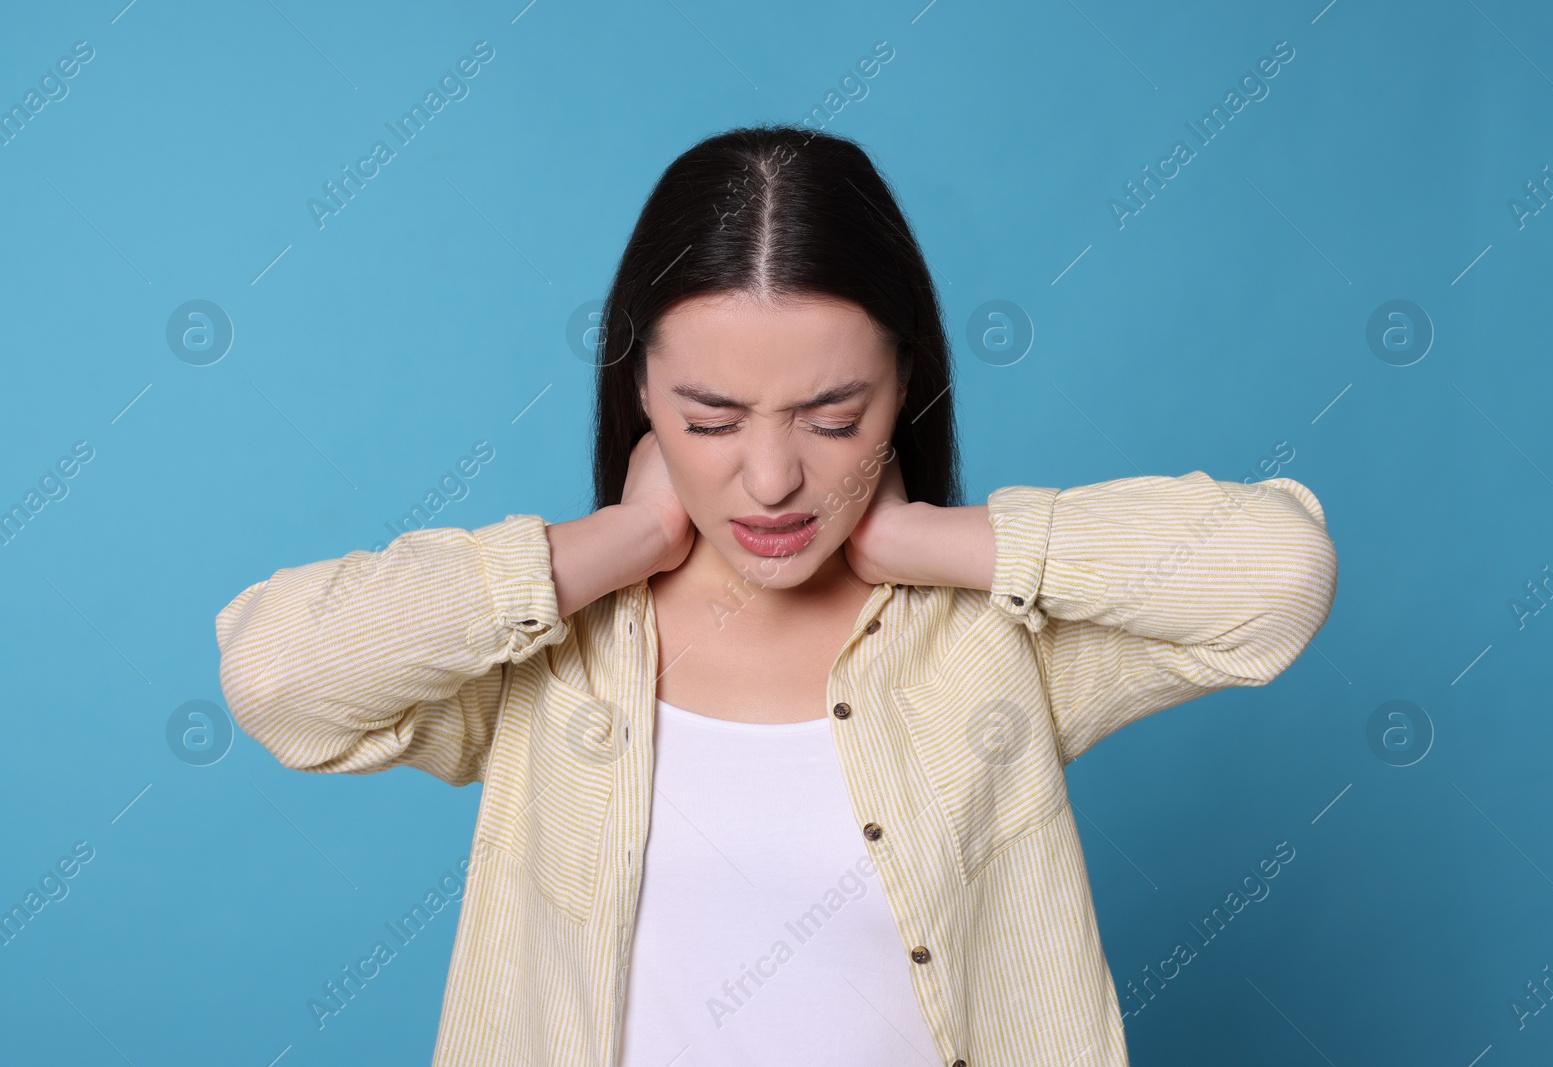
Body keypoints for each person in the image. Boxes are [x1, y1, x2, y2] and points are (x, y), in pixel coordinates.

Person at [214, 124, 1338, 1067]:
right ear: (639, 390)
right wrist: (622, 537)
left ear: (905, 386)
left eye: (832, 417)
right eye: (709, 419)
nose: (769, 479)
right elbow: (279, 676)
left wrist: (921, 537)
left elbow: (1275, 577)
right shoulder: (551, 658)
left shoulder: (988, 648)